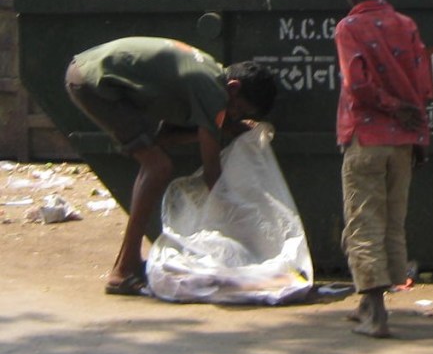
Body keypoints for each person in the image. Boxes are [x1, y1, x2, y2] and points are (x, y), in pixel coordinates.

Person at [64, 37, 278, 296]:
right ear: (233, 88)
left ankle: (126, 264)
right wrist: (242, 229)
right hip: (94, 81)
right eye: (237, 110)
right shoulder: (212, 90)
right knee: (158, 167)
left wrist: (232, 128)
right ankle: (123, 270)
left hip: (91, 74)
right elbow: (212, 174)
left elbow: (165, 138)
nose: (233, 116)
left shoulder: (210, 75)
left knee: (156, 161)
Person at [335, 0, 432, 339]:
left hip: (366, 139)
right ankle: (367, 305)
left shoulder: (349, 28)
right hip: (404, 142)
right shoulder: (406, 26)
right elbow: (424, 86)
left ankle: (376, 312)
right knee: (393, 222)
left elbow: (357, 86)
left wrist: (389, 106)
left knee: (363, 223)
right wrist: (419, 134)